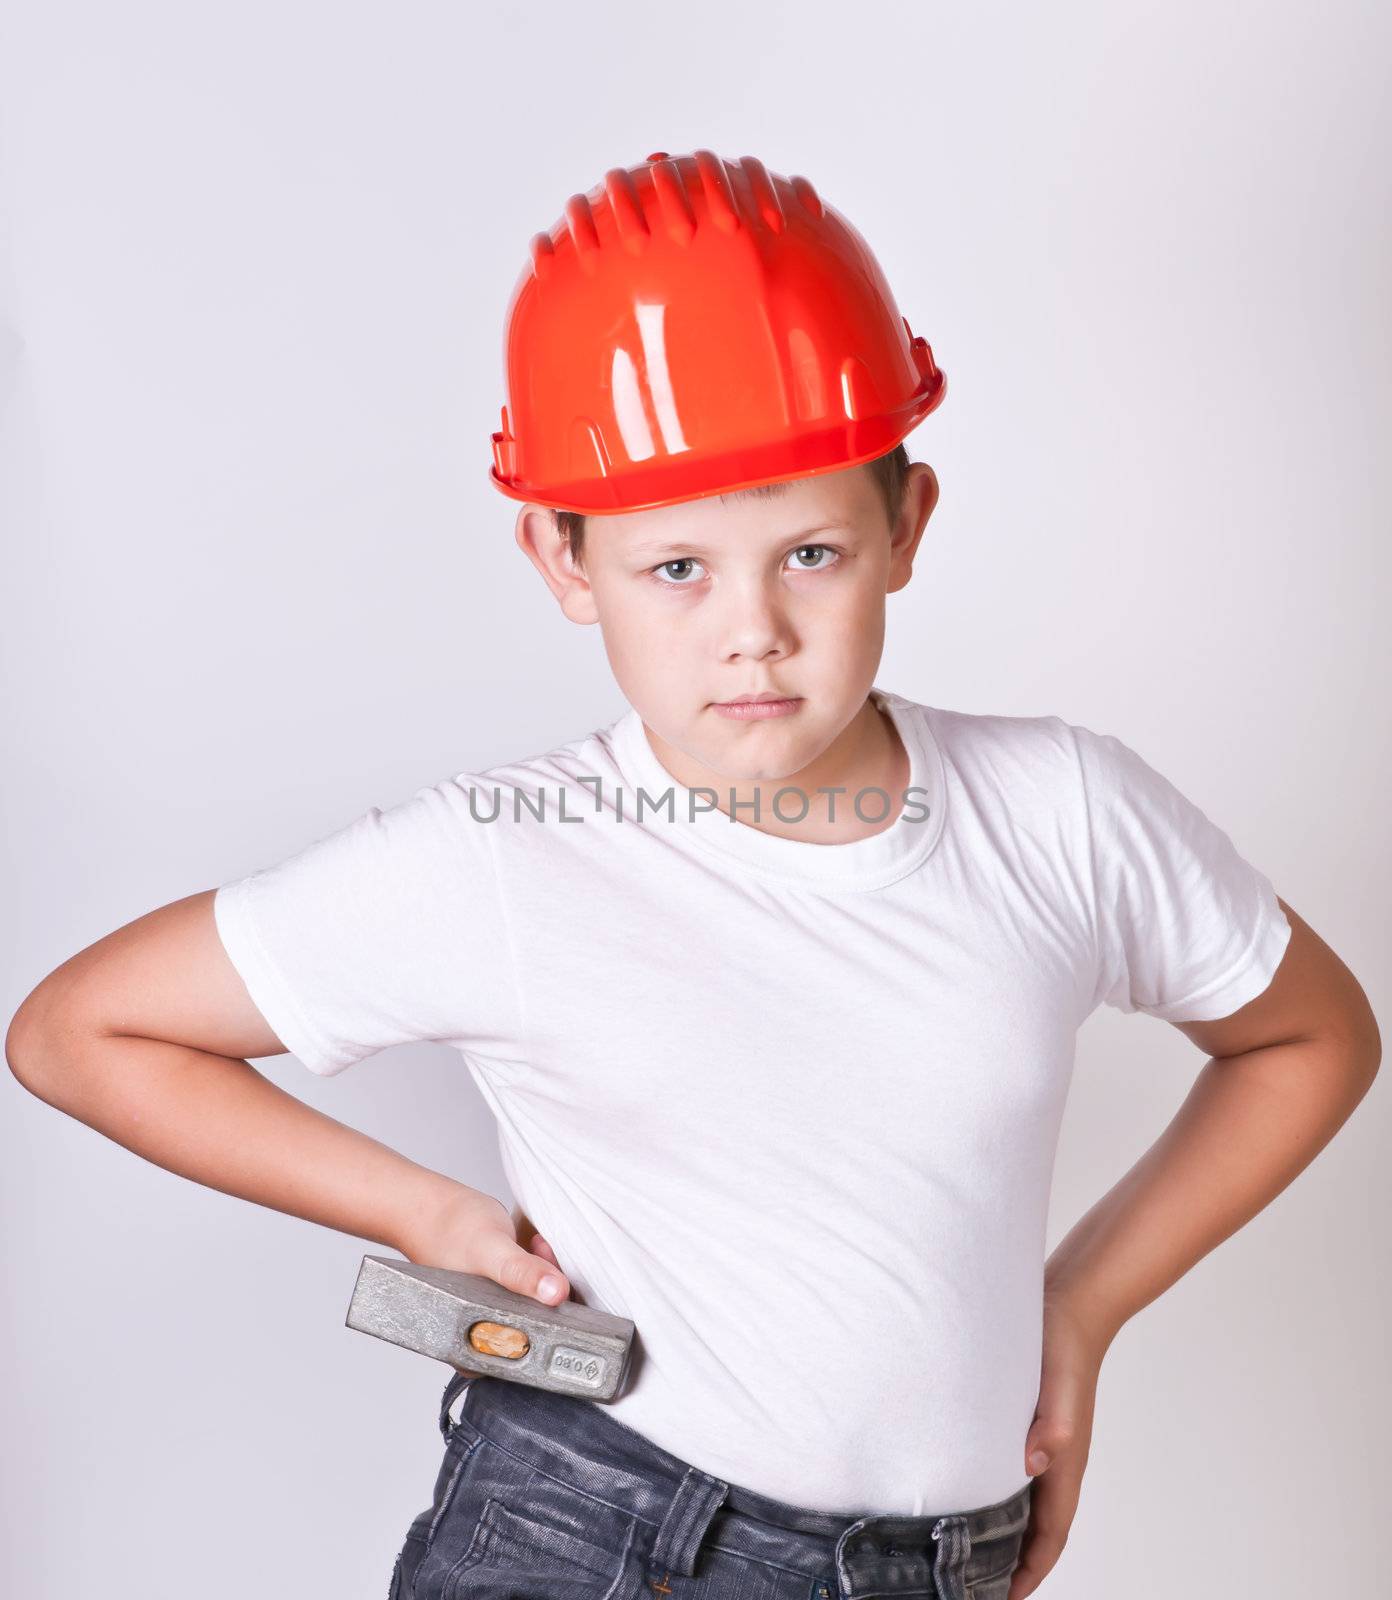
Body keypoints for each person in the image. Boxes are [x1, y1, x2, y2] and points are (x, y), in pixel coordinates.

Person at [5, 151, 1380, 1600]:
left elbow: (1307, 1035)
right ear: (561, 556)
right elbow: (80, 1031)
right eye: (678, 569)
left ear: (905, 526)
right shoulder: (504, 861)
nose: (755, 632)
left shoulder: (1065, 815)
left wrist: (1083, 1308)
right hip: (597, 1538)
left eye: (810, 552)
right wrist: (416, 1209)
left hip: (938, 1565)